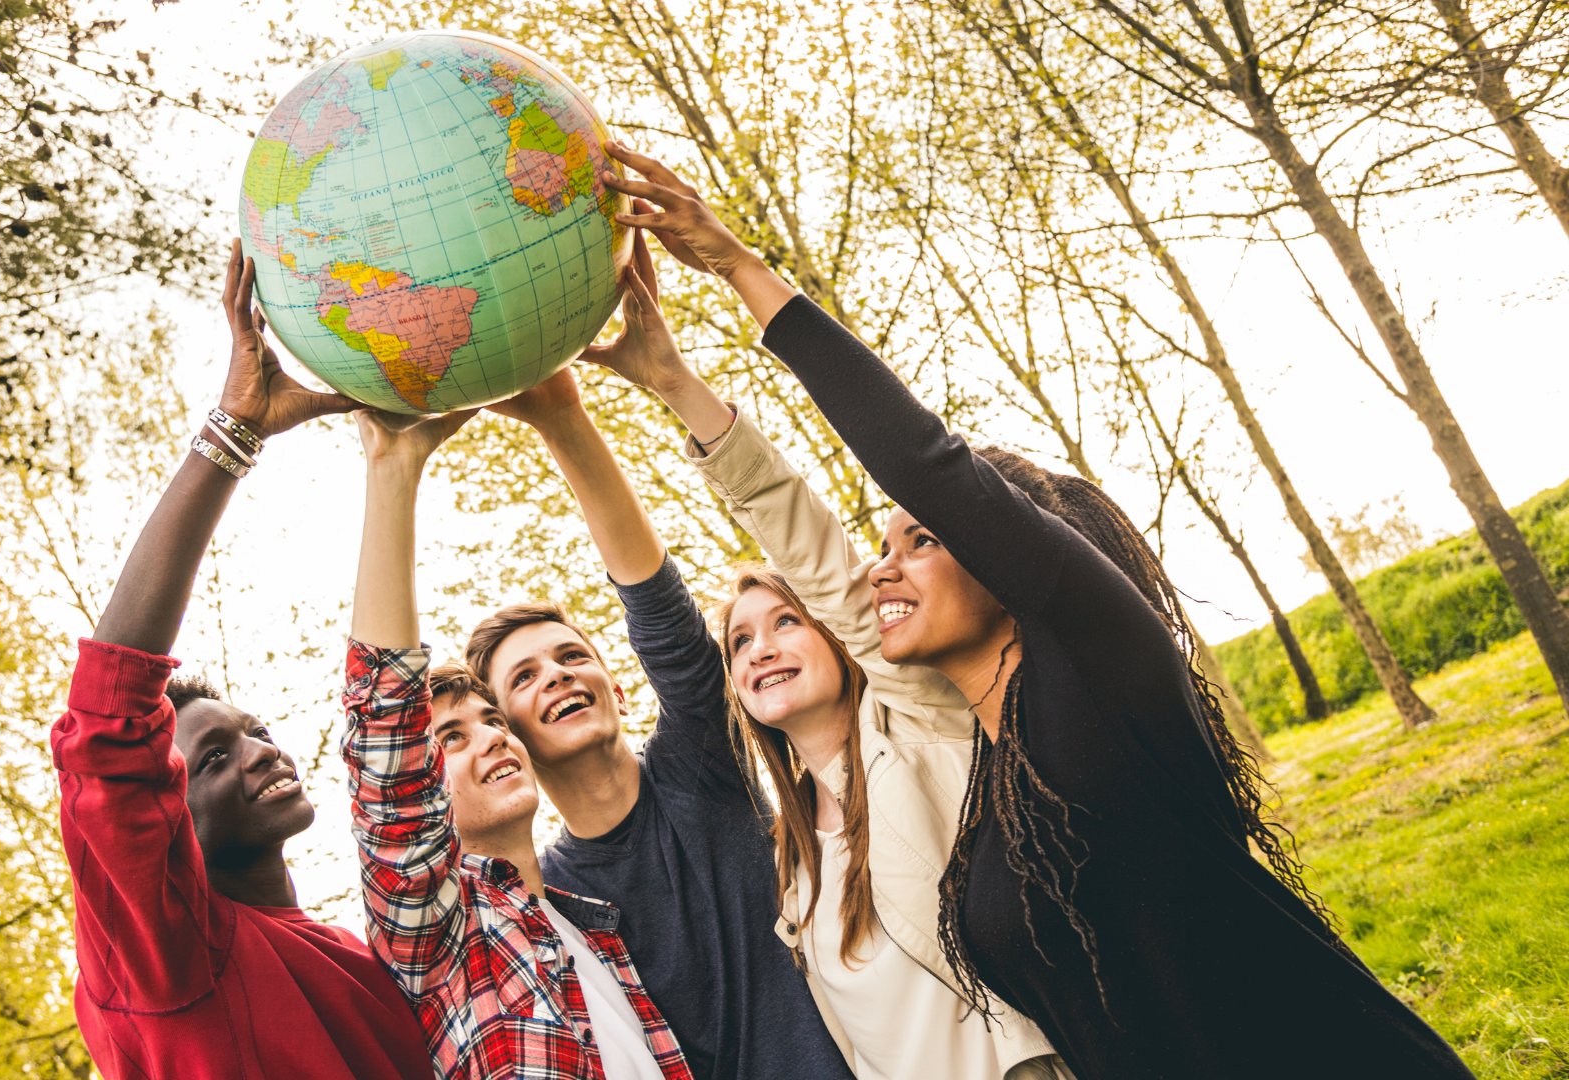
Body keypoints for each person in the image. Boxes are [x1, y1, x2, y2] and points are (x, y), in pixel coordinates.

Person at [596, 144, 1479, 1078]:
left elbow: (924, 461)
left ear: (1011, 557)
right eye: (884, 548)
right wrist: (673, 388)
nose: (880, 572)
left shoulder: (1104, 675)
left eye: (921, 541)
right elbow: (820, 567)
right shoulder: (983, 774)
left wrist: (735, 265)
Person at [565, 233, 1071, 1080]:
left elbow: (807, 543)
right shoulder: (791, 858)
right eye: (739, 642)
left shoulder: (919, 723)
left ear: (839, 633)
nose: (760, 649)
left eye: (785, 623)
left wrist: (673, 384)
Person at [51, 241, 432, 1080]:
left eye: (255, 731)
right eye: (215, 755)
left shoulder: (361, 960)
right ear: (163, 814)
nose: (263, 751)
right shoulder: (165, 961)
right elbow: (111, 715)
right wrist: (235, 430)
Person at [468, 354, 856, 1080]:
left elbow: (662, 617)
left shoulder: (700, 763)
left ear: (613, 681)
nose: (558, 674)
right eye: (526, 677)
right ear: (507, 732)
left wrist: (565, 420)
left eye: (571, 657)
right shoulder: (552, 904)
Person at [341, 401, 693, 1080]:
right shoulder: (440, 934)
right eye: (452, 738)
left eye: (494, 723)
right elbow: (385, 735)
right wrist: (394, 471)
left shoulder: (593, 930)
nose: (490, 742)